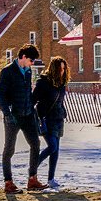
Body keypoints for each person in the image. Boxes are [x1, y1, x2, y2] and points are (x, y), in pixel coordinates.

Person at [0, 44, 44, 192]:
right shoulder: (7, 71)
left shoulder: (28, 71)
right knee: (9, 149)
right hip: (13, 116)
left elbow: (28, 92)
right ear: (23, 57)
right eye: (30, 60)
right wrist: (7, 113)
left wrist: (32, 106)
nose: (32, 63)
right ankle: (8, 182)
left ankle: (32, 179)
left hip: (28, 114)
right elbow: (0, 96)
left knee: (35, 144)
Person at [32, 56, 69, 188]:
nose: (62, 72)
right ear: (53, 69)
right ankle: (33, 169)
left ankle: (51, 179)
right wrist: (36, 116)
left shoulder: (62, 83)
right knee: (52, 146)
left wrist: (63, 110)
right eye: (60, 69)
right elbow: (33, 100)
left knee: (56, 150)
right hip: (46, 119)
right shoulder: (43, 83)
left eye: (64, 69)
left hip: (58, 118)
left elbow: (60, 100)